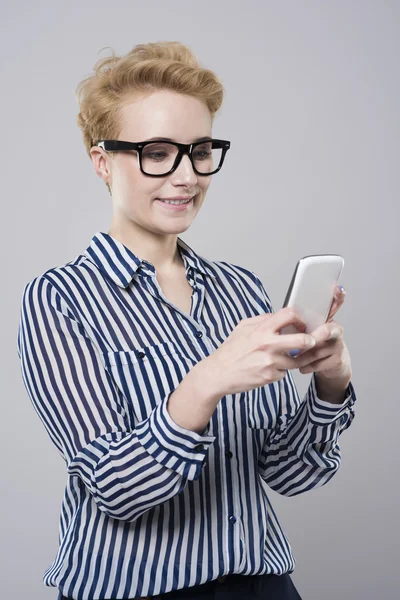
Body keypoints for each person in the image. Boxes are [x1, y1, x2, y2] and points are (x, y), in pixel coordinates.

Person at [16, 41, 356, 600]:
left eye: (199, 150)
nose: (186, 176)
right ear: (102, 161)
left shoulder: (240, 288)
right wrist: (208, 380)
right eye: (156, 152)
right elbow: (115, 489)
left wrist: (330, 383)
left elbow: (288, 474)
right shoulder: (59, 298)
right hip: (135, 590)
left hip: (262, 584)